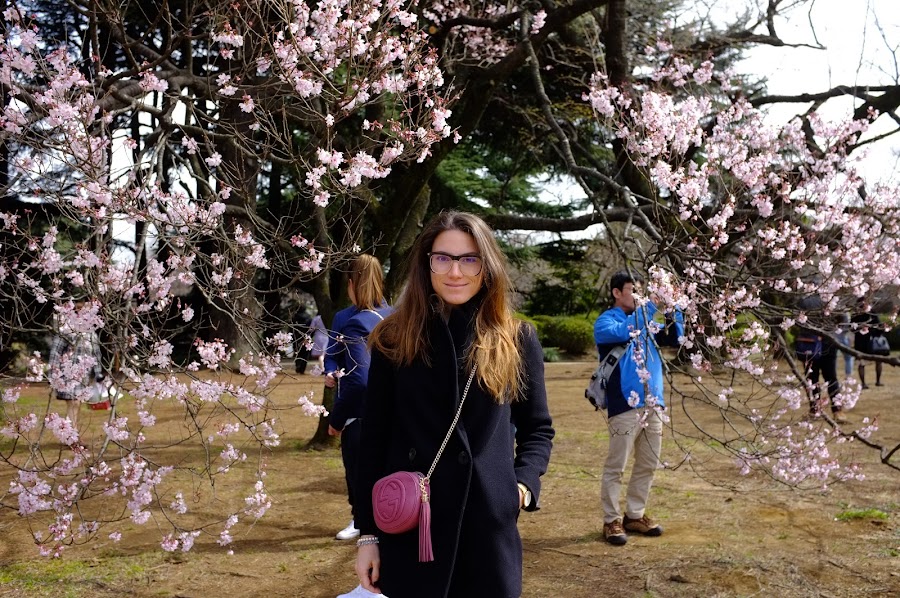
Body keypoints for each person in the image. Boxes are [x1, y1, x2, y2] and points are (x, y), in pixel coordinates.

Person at [353, 211, 554, 598]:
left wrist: (521, 488)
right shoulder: (394, 340)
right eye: (442, 258)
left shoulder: (516, 338)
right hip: (414, 530)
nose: (455, 272)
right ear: (426, 264)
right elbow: (373, 440)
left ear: (487, 266)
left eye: (469, 259)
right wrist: (367, 535)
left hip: (488, 529)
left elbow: (538, 428)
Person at [594, 270, 683, 546]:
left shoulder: (646, 321)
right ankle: (611, 520)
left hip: (654, 403)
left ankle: (635, 514)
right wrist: (652, 306)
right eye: (633, 290)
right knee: (616, 465)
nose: (639, 296)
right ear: (616, 292)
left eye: (641, 290)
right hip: (625, 403)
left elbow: (674, 337)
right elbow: (624, 331)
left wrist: (673, 308)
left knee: (648, 463)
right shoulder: (606, 321)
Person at [325, 255, 393, 545]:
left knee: (359, 469)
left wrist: (336, 419)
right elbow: (333, 356)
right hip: (395, 411)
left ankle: (366, 522)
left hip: (363, 411)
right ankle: (373, 518)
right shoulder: (396, 315)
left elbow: (358, 380)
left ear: (351, 284)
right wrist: (330, 371)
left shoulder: (358, 322)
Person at [48, 300, 104, 428]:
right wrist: (52, 375)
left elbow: (96, 355)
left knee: (77, 403)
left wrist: (98, 374)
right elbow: (55, 353)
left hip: (83, 376)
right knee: (74, 403)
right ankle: (71, 434)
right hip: (67, 375)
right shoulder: (66, 331)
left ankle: (72, 431)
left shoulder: (91, 334)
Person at [853, 311, 888, 388]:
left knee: (865, 363)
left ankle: (868, 382)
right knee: (864, 363)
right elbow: (879, 328)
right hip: (868, 342)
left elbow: (852, 328)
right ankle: (874, 382)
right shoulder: (871, 314)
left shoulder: (857, 314)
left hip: (864, 342)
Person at [293, 306, 313, 374]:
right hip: (306, 337)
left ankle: (298, 365)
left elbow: (291, 328)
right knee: (305, 354)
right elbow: (311, 329)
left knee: (297, 352)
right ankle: (302, 368)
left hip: (297, 337)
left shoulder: (294, 317)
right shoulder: (309, 317)